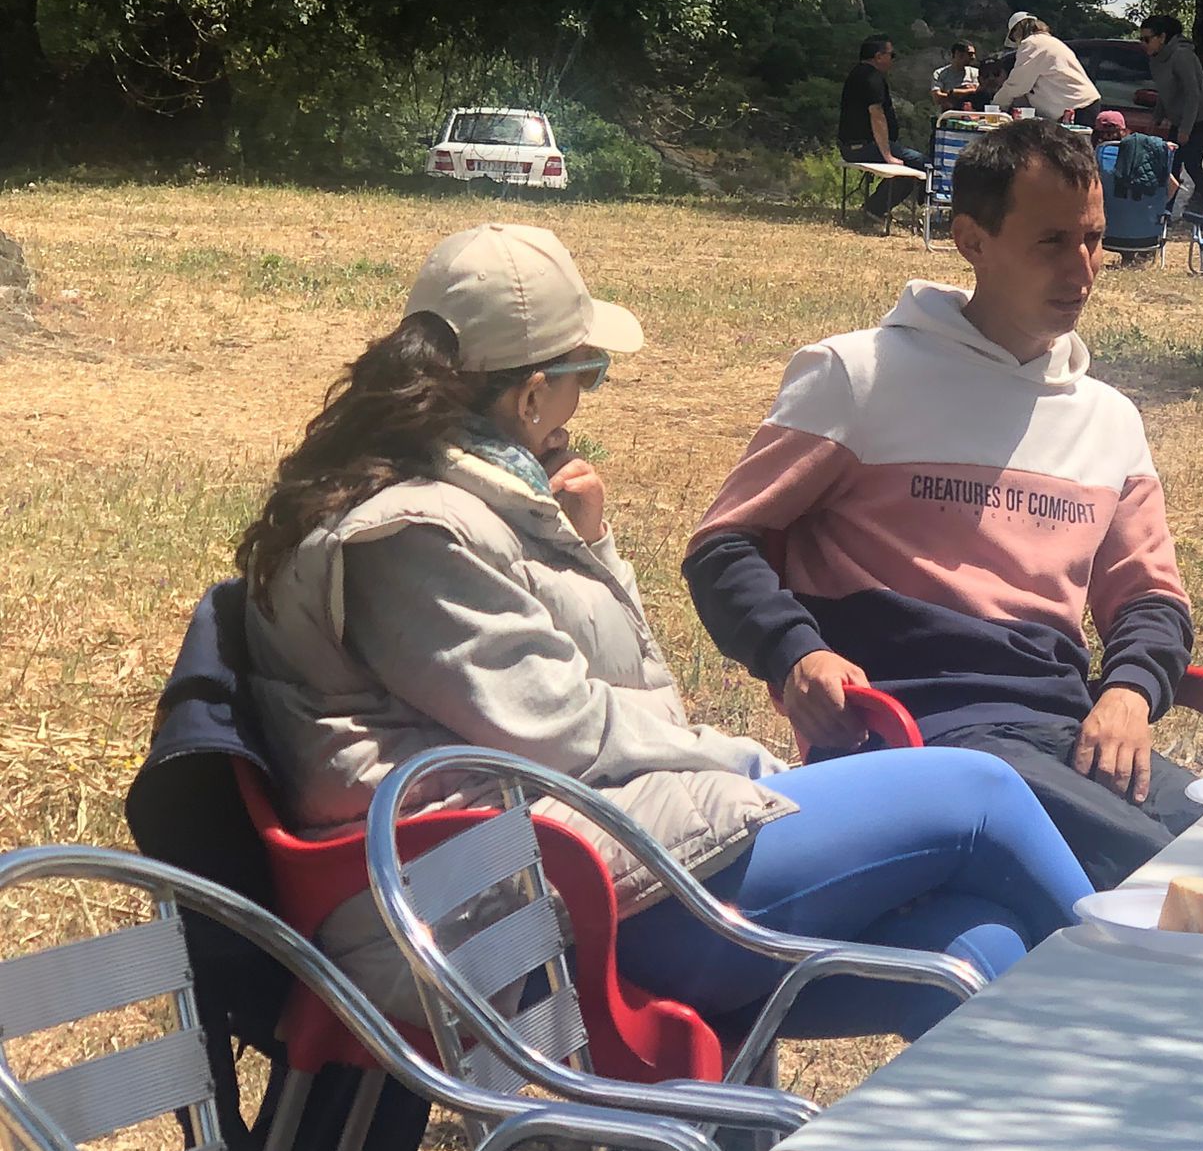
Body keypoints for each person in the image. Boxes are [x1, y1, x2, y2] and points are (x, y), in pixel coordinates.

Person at [237, 222, 1091, 1040]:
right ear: (533, 392)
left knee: (977, 949)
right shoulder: (415, 538)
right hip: (502, 920)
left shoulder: (477, 508)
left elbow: (628, 693)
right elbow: (561, 731)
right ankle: (1169, 1023)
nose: (587, 398)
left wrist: (590, 540)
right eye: (590, 372)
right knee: (979, 797)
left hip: (567, 871)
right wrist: (744, 762)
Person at [686, 123, 1202, 889]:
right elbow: (724, 547)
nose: (1083, 269)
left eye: (1094, 239)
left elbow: (1153, 598)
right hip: (914, 737)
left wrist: (1128, 691)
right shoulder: (857, 376)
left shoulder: (1108, 418)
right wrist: (798, 653)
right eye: (1052, 241)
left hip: (1065, 735)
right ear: (971, 241)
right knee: (1178, 881)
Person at [838, 34, 927, 230]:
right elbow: (876, 115)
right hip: (863, 146)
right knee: (920, 163)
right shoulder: (872, 77)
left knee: (913, 161)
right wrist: (887, 155)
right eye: (891, 55)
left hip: (855, 144)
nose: (892, 60)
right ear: (878, 56)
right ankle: (876, 209)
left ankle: (877, 208)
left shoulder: (858, 73)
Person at [1138, 14, 1203, 212]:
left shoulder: (1182, 56)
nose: (1143, 44)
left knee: (1192, 163)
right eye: (1141, 39)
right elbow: (1165, 92)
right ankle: (1165, 210)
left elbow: (1194, 94)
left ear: (1162, 37)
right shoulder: (1156, 60)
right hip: (1179, 118)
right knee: (1170, 163)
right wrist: (1156, 117)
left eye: (1147, 39)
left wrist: (1186, 129)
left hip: (1201, 117)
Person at [991, 13, 1102, 128]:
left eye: (1013, 37)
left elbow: (1018, 85)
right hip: (1081, 104)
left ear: (1018, 31)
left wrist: (997, 105)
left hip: (1076, 108)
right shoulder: (1050, 42)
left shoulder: (1032, 43)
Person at [931, 41, 982, 111]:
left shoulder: (976, 72)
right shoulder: (940, 73)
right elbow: (937, 97)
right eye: (970, 54)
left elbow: (980, 93)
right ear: (959, 54)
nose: (973, 57)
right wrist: (968, 91)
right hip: (948, 114)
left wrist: (954, 93)